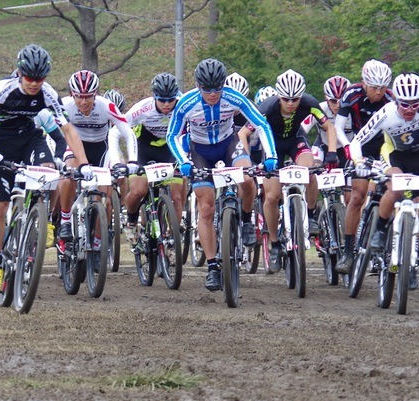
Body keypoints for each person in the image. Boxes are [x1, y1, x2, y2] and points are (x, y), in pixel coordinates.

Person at [0, 44, 89, 293]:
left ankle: (43, 216)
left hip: (29, 140)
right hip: (0, 143)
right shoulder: (3, 89)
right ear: (19, 72)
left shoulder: (47, 93)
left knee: (49, 169)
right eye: (30, 78)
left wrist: (84, 163)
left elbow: (67, 129)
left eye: (40, 78)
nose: (34, 83)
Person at [168, 58, 277, 291]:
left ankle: (247, 220)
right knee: (206, 206)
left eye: (218, 88)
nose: (213, 94)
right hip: (200, 151)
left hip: (229, 144)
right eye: (208, 90)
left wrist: (271, 156)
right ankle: (213, 266)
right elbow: (172, 136)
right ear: (198, 86)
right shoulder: (186, 103)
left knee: (248, 179)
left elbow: (262, 125)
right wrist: (183, 161)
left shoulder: (233, 97)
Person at [238, 69, 337, 274]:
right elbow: (243, 133)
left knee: (310, 169)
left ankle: (309, 215)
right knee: (272, 197)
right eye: (286, 99)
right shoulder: (267, 107)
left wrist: (333, 153)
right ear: (278, 95)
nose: (291, 103)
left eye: (295, 99)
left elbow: (329, 127)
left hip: (295, 141)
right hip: (271, 146)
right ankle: (274, 244)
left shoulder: (310, 103)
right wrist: (247, 161)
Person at [57, 69, 136, 260]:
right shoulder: (64, 105)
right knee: (69, 176)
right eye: (79, 97)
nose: (84, 102)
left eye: (88, 97)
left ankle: (99, 242)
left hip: (101, 149)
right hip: (76, 148)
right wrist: (57, 157)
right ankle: (66, 220)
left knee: (106, 199)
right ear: (71, 94)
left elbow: (127, 132)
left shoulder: (106, 106)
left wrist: (132, 160)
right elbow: (50, 130)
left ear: (96, 94)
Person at [333, 59, 393, 274]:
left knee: (394, 193)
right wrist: (349, 149)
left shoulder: (391, 99)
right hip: (361, 146)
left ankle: (389, 243)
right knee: (357, 196)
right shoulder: (351, 95)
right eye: (374, 87)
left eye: (383, 87)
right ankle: (348, 251)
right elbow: (339, 128)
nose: (379, 92)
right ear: (364, 82)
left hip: (386, 146)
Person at [110, 73, 185, 242]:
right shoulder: (143, 108)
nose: (166, 104)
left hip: (169, 149)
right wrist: (118, 161)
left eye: (170, 100)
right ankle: (130, 221)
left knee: (176, 196)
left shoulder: (183, 107)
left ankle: (172, 240)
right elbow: (116, 130)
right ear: (154, 97)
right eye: (161, 100)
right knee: (138, 191)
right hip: (144, 148)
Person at [352, 73, 419, 253]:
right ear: (396, 100)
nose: (410, 109)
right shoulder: (386, 113)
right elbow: (357, 141)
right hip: (394, 154)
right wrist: (358, 163)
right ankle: (380, 229)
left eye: (415, 104)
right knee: (395, 187)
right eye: (405, 104)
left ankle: (412, 249)